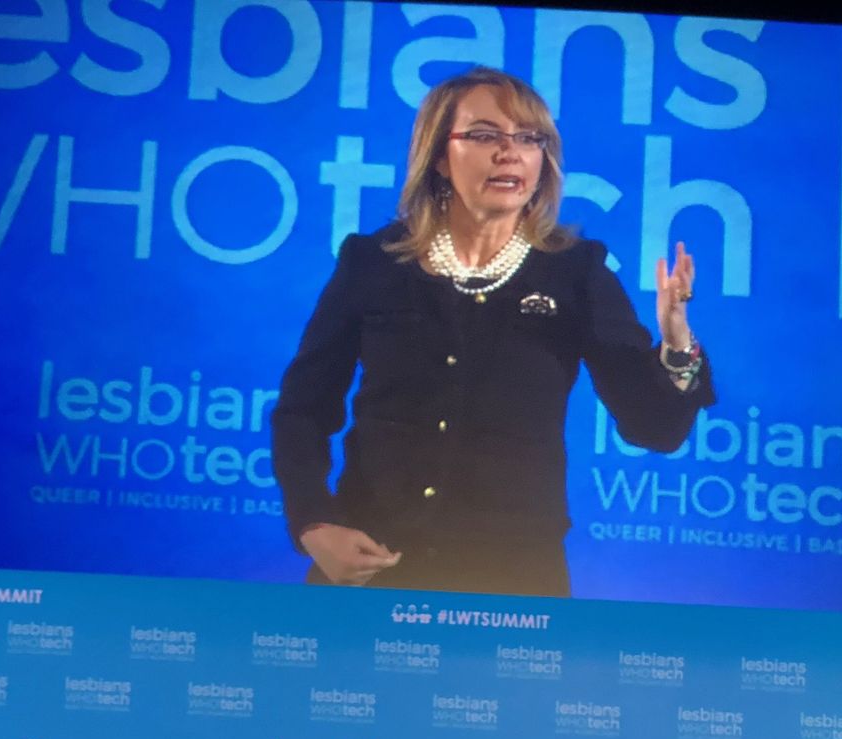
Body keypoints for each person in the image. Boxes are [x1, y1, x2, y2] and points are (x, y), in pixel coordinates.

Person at [271, 66, 715, 598]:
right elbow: (302, 410)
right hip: (373, 567)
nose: (510, 153)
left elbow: (655, 430)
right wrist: (315, 524)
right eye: (484, 135)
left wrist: (675, 341)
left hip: (512, 584)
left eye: (529, 139)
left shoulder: (577, 273)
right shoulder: (373, 263)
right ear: (439, 155)